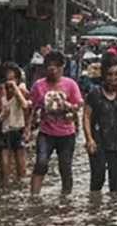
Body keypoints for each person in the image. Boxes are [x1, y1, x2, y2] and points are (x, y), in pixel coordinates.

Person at [27, 50, 84, 195]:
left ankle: (65, 197)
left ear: (62, 67)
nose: (51, 71)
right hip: (46, 132)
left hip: (66, 133)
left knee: (65, 167)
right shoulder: (39, 86)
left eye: (55, 67)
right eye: (48, 67)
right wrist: (27, 129)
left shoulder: (70, 85)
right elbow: (33, 108)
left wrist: (69, 106)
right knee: (41, 163)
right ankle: (34, 196)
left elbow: (79, 104)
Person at [84, 52, 117, 193]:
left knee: (116, 187)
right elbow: (86, 116)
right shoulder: (95, 92)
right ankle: (95, 211)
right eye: (110, 74)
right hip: (98, 143)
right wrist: (89, 139)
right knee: (97, 182)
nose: (114, 78)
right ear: (104, 75)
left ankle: (113, 213)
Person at [0, 63, 30, 183]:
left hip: (19, 127)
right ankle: (5, 183)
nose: (9, 82)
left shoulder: (21, 90)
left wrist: (16, 90)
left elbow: (25, 106)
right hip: (4, 128)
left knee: (20, 160)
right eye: (7, 79)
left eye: (12, 79)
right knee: (4, 157)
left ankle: (19, 184)